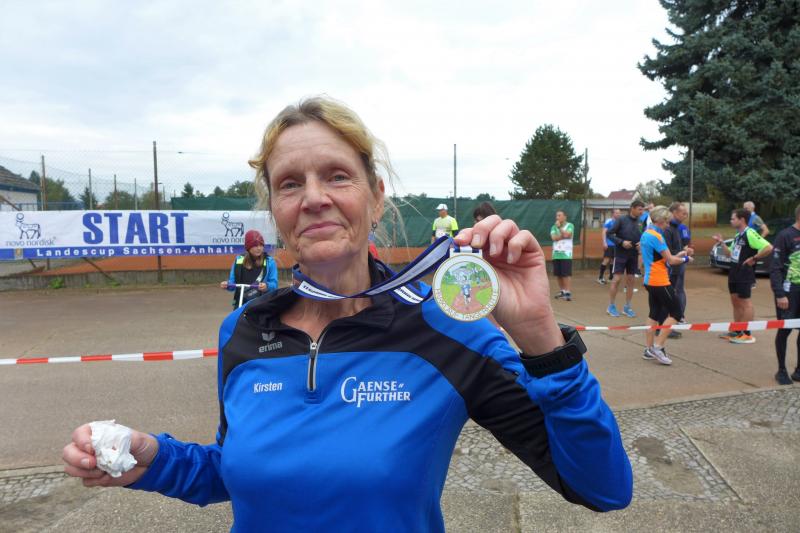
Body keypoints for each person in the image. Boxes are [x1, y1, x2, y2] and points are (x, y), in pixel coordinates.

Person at [63, 96, 632, 531]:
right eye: (290, 184)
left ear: (375, 196)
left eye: (337, 175)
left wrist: (539, 336)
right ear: (276, 210)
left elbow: (603, 489)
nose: (314, 197)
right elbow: (233, 470)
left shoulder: (447, 332)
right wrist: (152, 458)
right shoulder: (244, 329)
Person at [640, 206, 694, 365]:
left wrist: (678, 255)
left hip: (650, 280)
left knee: (654, 314)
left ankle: (649, 349)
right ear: (659, 220)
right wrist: (685, 259)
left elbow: (662, 258)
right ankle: (658, 347)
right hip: (659, 281)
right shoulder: (657, 236)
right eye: (666, 222)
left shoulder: (646, 234)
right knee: (677, 313)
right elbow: (670, 261)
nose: (668, 225)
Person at [712, 209, 773, 344]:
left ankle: (746, 333)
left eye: (733, 218)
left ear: (742, 220)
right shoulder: (738, 235)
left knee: (745, 303)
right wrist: (722, 242)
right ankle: (737, 330)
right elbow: (730, 254)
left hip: (745, 272)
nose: (731, 221)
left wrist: (754, 258)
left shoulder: (750, 233)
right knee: (735, 301)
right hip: (734, 271)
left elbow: (768, 247)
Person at [769, 203, 800, 385]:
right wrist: (780, 294)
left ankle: (799, 370)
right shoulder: (785, 236)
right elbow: (775, 268)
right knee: (785, 330)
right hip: (788, 293)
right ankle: (781, 370)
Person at [219, 229, 278, 309]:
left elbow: (274, 285)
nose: (259, 248)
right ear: (248, 247)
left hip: (262, 304)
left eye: (261, 245)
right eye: (255, 245)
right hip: (241, 304)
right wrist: (227, 285)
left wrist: (267, 286)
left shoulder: (269, 262)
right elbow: (233, 284)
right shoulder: (239, 260)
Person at [606, 200, 645, 318]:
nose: (642, 212)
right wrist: (621, 242)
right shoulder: (621, 220)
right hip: (620, 254)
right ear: (632, 208)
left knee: (631, 280)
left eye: (642, 210)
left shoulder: (640, 222)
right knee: (617, 279)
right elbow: (609, 234)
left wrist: (641, 243)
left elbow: (643, 236)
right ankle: (611, 306)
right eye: (639, 209)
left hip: (633, 255)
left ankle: (627, 307)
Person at [663, 202, 693, 338]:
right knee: (668, 295)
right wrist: (682, 256)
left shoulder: (677, 227)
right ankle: (664, 325)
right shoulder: (668, 229)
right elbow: (667, 252)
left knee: (677, 291)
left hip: (677, 266)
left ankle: (676, 317)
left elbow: (679, 246)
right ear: (674, 213)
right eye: (683, 213)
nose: (685, 215)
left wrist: (685, 251)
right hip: (669, 268)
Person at [550, 210, 574, 301]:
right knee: (558, 274)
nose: (557, 217)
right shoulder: (553, 227)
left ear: (565, 217)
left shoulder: (570, 225)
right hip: (556, 254)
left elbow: (568, 234)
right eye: (557, 216)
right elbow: (553, 238)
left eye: (559, 215)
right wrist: (563, 235)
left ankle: (567, 292)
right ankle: (562, 291)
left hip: (566, 254)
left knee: (566, 274)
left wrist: (560, 228)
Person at [598, 209, 620, 284]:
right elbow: (604, 232)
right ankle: (600, 277)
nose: (618, 214)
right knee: (606, 260)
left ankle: (611, 277)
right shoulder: (609, 221)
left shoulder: (619, 221)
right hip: (609, 244)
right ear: (613, 214)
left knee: (613, 260)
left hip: (616, 244)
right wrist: (604, 242)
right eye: (616, 213)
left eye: (619, 213)